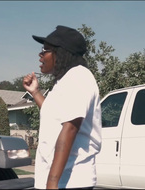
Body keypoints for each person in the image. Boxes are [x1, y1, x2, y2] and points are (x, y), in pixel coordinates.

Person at [23, 25, 102, 189]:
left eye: (45, 50)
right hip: (60, 181)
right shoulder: (63, 82)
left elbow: (70, 128)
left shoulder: (79, 76)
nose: (40, 55)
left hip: (71, 181)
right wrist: (36, 92)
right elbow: (53, 115)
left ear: (60, 53)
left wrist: (52, 183)